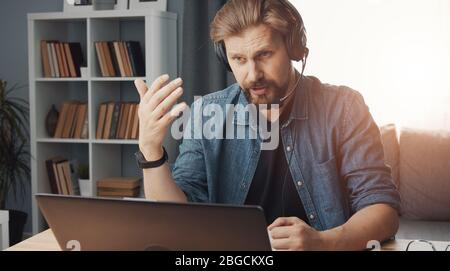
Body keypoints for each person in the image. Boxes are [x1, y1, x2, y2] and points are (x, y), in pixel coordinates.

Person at [133, 0, 400, 251]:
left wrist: (322, 242)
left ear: (293, 49)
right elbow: (178, 214)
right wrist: (150, 150)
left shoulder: (344, 108)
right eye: (239, 59)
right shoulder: (206, 113)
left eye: (265, 54)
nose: (253, 75)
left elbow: (382, 209)